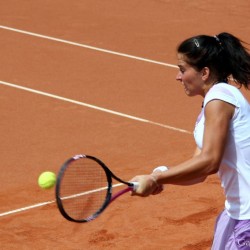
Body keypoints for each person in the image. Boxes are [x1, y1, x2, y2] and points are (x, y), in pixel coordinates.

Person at [130, 32, 250, 249]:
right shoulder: (211, 104)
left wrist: (158, 179)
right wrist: (160, 175)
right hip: (236, 213)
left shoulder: (220, 97)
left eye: (183, 70)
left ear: (204, 72)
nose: (178, 76)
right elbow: (200, 172)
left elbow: (210, 161)